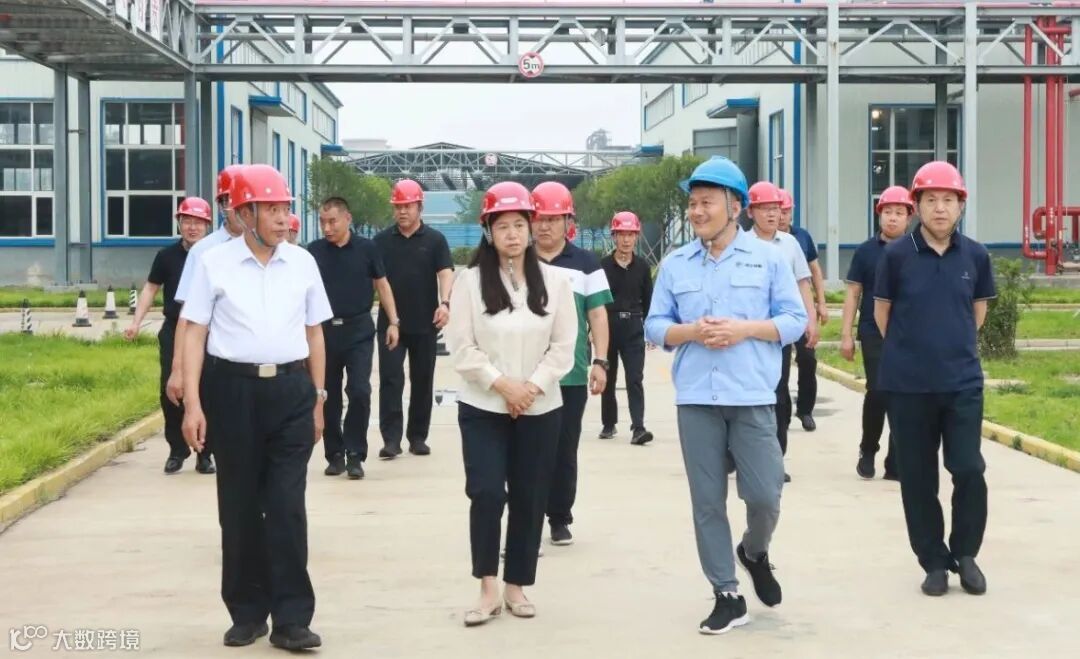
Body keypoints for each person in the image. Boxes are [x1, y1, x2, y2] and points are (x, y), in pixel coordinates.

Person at [645, 156, 806, 635]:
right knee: (708, 502)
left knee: (765, 494)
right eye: (693, 203)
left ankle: (754, 551)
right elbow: (655, 326)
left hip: (752, 394)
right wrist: (691, 331)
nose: (697, 211)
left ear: (735, 207)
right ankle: (727, 593)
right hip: (697, 398)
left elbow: (794, 320)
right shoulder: (675, 264)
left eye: (707, 202)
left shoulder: (769, 259)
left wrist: (744, 330)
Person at [180, 164, 332, 650]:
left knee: (287, 506)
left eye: (285, 208)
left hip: (291, 391)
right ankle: (246, 613)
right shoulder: (213, 264)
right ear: (245, 214)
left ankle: (292, 618)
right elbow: (195, 332)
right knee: (239, 506)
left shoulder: (303, 263)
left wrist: (319, 397)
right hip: (233, 393)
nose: (283, 218)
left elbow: (314, 332)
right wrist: (192, 404)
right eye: (271, 210)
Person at [445, 181, 576, 627]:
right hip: (484, 407)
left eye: (520, 224)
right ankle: (487, 588)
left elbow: (564, 346)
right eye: (503, 226)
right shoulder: (470, 282)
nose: (513, 234)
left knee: (530, 495)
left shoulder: (556, 282)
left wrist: (531, 388)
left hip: (540, 408)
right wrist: (503, 385)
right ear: (488, 231)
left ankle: (516, 585)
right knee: (485, 492)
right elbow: (461, 346)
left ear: (531, 227)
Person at [873, 161, 995, 598]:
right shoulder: (896, 256)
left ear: (960, 206)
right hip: (907, 386)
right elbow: (882, 315)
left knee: (968, 467)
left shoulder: (975, 255)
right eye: (931, 200)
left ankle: (965, 554)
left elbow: (976, 312)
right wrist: (914, 352)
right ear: (917, 206)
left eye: (948, 200)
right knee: (918, 477)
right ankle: (934, 561)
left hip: (962, 383)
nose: (940, 208)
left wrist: (949, 348)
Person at [531, 180, 612, 547]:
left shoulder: (586, 263)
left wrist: (601, 361)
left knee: (564, 450)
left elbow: (597, 315)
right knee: (529, 452)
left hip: (572, 374)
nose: (544, 226)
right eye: (538, 219)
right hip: (526, 374)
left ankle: (560, 517)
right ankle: (529, 518)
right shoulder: (518, 260)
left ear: (568, 222)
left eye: (553, 219)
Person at [308, 197, 401, 480]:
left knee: (359, 391)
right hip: (324, 332)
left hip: (358, 329)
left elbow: (382, 285)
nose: (327, 228)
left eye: (332, 221)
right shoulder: (314, 252)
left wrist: (393, 322)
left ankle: (356, 453)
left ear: (347, 219)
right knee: (329, 395)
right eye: (322, 222)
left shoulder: (367, 248)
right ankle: (335, 454)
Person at [125, 196, 213, 475]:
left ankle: (205, 452)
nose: (192, 228)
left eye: (198, 222)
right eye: (187, 221)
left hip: (207, 331)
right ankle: (177, 449)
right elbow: (150, 288)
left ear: (208, 226)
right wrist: (136, 322)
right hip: (175, 329)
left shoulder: (215, 256)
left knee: (208, 390)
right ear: (179, 224)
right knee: (171, 390)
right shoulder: (166, 256)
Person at [373, 178, 455, 458]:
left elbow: (445, 272)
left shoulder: (435, 240)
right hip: (390, 325)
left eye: (408, 206)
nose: (402, 212)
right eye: (398, 207)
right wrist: (391, 319)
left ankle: (418, 436)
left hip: (425, 323)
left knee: (422, 380)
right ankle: (391, 439)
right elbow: (377, 281)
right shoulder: (381, 242)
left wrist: (445, 303)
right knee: (390, 380)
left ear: (420, 207)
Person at [745, 181, 816, 482]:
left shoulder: (790, 244)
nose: (772, 214)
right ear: (751, 212)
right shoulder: (741, 244)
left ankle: (775, 459)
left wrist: (811, 320)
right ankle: (742, 454)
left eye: (776, 208)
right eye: (765, 208)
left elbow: (803, 283)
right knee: (748, 396)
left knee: (779, 393)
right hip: (748, 333)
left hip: (780, 331)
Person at [841, 185, 912, 480]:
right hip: (873, 331)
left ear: (909, 217)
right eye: (887, 212)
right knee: (880, 390)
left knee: (904, 395)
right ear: (879, 215)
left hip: (909, 332)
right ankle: (868, 448)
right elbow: (853, 293)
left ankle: (896, 459)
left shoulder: (917, 250)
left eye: (899, 212)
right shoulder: (866, 251)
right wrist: (846, 334)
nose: (893, 218)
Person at [168, 165, 247, 411]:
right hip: (213, 357)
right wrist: (178, 369)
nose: (241, 208)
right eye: (232, 201)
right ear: (222, 205)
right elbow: (187, 317)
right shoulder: (204, 251)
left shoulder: (269, 250)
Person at [599, 211, 654, 445]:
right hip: (608, 327)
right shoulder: (603, 267)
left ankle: (638, 427)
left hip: (633, 328)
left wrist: (650, 331)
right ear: (614, 236)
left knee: (634, 379)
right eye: (621, 234)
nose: (626, 239)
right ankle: (608, 423)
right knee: (608, 378)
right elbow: (596, 302)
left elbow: (649, 302)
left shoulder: (642, 267)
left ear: (636, 237)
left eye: (631, 234)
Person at [778, 189, 828, 431]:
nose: (781, 216)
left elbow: (814, 271)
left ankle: (805, 409)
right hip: (777, 314)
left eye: (785, 211)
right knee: (781, 366)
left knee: (807, 359)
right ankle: (783, 412)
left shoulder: (802, 237)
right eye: (777, 210)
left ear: (791, 212)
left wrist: (821, 303)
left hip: (801, 309)